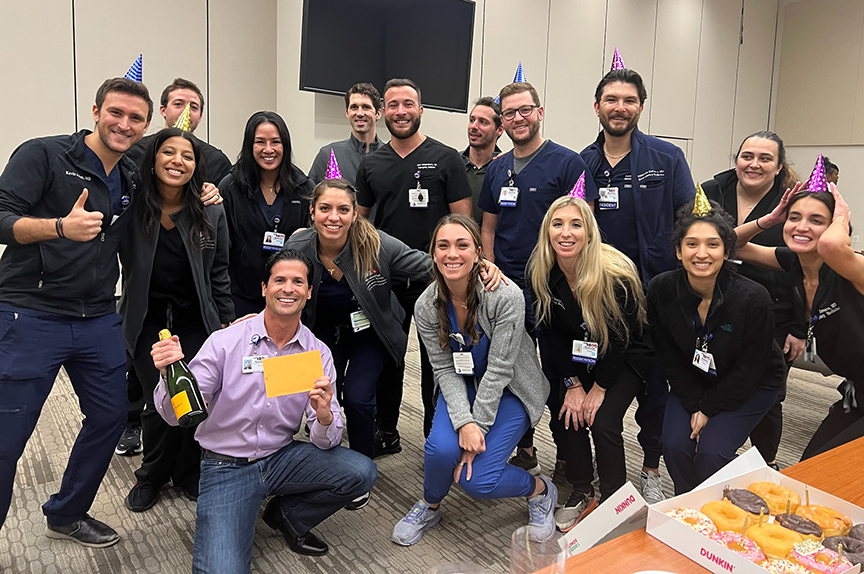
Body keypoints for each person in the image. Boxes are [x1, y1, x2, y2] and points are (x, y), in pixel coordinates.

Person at [150, 249, 377, 573]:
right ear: (264, 288)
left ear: (308, 292)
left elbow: (326, 442)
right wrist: (167, 374)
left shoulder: (316, 353)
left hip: (281, 456)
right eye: (279, 280)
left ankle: (287, 515)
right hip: (226, 465)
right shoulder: (226, 342)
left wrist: (325, 415)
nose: (288, 288)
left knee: (361, 472)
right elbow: (174, 417)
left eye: (298, 282)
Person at [0, 78, 153, 544]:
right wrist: (58, 227)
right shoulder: (44, 154)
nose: (124, 124)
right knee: (8, 436)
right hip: (32, 312)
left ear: (145, 126)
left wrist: (209, 191)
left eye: (136, 118)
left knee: (110, 418)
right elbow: (1, 218)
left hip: (98, 317)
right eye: (116, 113)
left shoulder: (131, 175)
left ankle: (67, 513)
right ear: (95, 111)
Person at [391, 215, 556, 546]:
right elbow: (443, 368)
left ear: (478, 252)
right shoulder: (426, 305)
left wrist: (476, 427)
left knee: (477, 480)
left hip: (511, 388)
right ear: (433, 253)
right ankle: (430, 504)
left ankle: (540, 491)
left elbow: (500, 369)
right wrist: (464, 423)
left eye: (462, 245)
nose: (452, 253)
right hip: (463, 383)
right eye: (443, 246)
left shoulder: (504, 295)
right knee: (439, 452)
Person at [581, 67, 695, 502]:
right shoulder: (583, 162)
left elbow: (688, 221)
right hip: (601, 297)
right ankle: (594, 461)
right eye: (611, 100)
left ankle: (651, 467)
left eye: (629, 100)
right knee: (599, 377)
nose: (620, 107)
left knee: (655, 391)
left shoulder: (666, 158)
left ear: (641, 107)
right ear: (597, 107)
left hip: (656, 296)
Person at [478, 81, 596, 495]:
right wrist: (490, 268)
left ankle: (568, 458)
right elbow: (488, 227)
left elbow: (585, 224)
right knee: (511, 369)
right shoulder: (497, 168)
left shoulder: (567, 163)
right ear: (502, 121)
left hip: (554, 288)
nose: (518, 119)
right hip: (508, 288)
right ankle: (524, 449)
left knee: (560, 371)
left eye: (524, 110)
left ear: (540, 112)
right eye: (509, 113)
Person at [119, 127, 234, 512]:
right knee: (159, 400)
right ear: (152, 160)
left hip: (194, 318)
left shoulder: (210, 208)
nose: (177, 161)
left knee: (196, 396)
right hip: (146, 319)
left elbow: (219, 270)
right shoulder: (132, 205)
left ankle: (187, 472)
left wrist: (225, 322)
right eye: (168, 152)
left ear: (196, 166)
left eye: (187, 156)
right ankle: (151, 476)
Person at [285, 179, 430, 472]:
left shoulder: (377, 244)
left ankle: (361, 467)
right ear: (312, 212)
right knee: (321, 392)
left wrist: (480, 266)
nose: (334, 217)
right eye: (325, 208)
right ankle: (325, 458)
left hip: (371, 332)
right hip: (324, 331)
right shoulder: (298, 247)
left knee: (358, 397)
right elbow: (279, 288)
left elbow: (430, 265)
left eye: (343, 209)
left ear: (355, 213)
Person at [356, 78, 473, 440]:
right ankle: (386, 431)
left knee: (436, 363)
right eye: (393, 105)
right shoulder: (371, 163)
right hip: (385, 280)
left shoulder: (447, 159)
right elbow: (359, 223)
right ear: (383, 112)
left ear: (421, 110)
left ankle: (435, 435)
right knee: (388, 357)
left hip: (436, 281)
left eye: (408, 104)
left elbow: (464, 224)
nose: (401, 111)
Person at [527, 195, 651, 530]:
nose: (566, 233)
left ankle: (615, 498)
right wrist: (573, 385)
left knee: (603, 419)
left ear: (589, 232)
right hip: (580, 356)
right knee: (568, 412)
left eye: (575, 224)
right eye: (558, 224)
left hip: (625, 355)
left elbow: (621, 340)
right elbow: (551, 335)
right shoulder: (541, 272)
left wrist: (598, 389)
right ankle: (583, 489)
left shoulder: (615, 274)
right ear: (547, 231)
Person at [647, 197, 785, 494]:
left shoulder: (752, 297)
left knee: (712, 453)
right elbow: (668, 355)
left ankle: (729, 504)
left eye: (712, 244)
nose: (702, 253)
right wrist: (695, 403)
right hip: (694, 379)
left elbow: (751, 368)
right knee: (674, 445)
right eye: (691, 244)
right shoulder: (661, 289)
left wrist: (707, 409)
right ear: (678, 251)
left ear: (727, 251)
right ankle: (689, 504)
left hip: (754, 383)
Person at [735, 182, 864, 460]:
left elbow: (832, 246)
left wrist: (842, 217)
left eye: (816, 220)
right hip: (856, 392)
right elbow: (729, 245)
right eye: (795, 217)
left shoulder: (856, 269)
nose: (802, 226)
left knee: (835, 476)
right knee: (808, 470)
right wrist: (769, 219)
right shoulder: (794, 262)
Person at [702, 131, 805, 469]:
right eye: (747, 156)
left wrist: (800, 327)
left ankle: (765, 462)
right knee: (713, 381)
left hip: (775, 313)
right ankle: (712, 455)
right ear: (737, 159)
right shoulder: (712, 191)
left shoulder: (793, 202)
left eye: (765, 158)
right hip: (714, 308)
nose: (754, 164)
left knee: (768, 394)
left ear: (779, 166)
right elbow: (703, 241)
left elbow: (804, 267)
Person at [219, 111, 314, 316]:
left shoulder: (304, 188)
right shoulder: (230, 187)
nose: (268, 149)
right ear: (249, 145)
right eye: (260, 142)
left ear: (285, 145)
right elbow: (220, 250)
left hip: (289, 297)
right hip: (241, 297)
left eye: (275, 142)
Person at [126, 78, 232, 184]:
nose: (186, 111)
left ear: (200, 116)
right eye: (178, 104)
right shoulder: (135, 150)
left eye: (193, 107)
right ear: (163, 110)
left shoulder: (216, 161)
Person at [308, 82, 384, 185]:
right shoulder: (329, 154)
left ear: (378, 114)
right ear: (347, 113)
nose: (360, 113)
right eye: (354, 107)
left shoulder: (389, 156)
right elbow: (310, 193)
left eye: (366, 107)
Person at [462, 96, 503, 225]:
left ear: (499, 130)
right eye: (472, 120)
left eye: (483, 122)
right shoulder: (453, 164)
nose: (474, 126)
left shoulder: (505, 168)